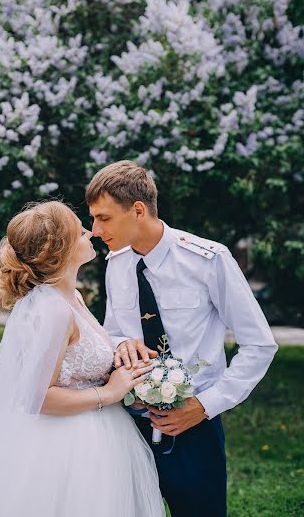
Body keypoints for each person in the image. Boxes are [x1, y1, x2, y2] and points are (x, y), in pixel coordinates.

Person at [0, 200, 165, 517]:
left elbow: (80, 363)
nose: (89, 232)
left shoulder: (70, 297)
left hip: (101, 431)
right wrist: (111, 392)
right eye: (79, 231)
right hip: (68, 444)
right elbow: (39, 398)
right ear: (59, 249)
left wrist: (129, 377)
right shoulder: (53, 311)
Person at [86, 160, 278, 517]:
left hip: (195, 426)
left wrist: (205, 406)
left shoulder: (208, 260)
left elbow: (260, 344)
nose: (95, 230)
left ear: (138, 210)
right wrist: (118, 344)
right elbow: (112, 329)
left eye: (104, 218)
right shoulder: (116, 262)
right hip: (126, 425)